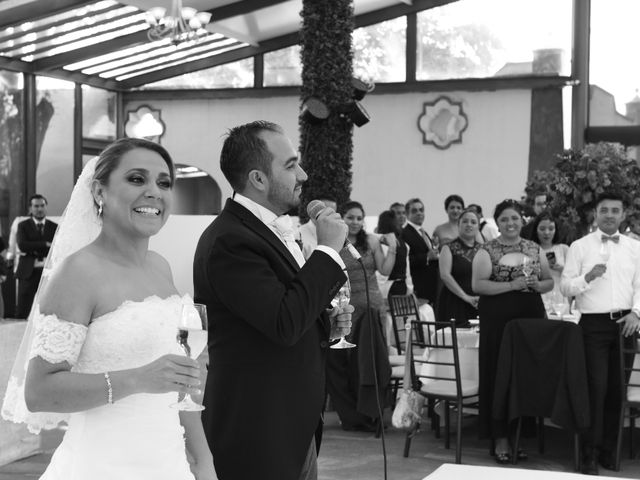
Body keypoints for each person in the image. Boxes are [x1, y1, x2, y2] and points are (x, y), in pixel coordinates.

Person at [1, 138, 216, 479]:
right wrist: (139, 378)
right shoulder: (77, 273)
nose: (154, 192)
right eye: (136, 179)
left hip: (169, 464)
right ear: (100, 192)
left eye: (164, 182)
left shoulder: (161, 267)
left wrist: (204, 462)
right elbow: (38, 392)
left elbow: (180, 387)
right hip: (100, 466)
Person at [193, 121, 352, 480]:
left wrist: (323, 324)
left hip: (293, 424)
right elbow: (283, 322)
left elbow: (281, 312)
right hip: (258, 428)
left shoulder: (266, 230)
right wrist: (327, 251)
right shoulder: (229, 241)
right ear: (258, 179)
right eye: (291, 164)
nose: (303, 174)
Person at [560, 191, 640, 475]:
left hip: (626, 326)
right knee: (595, 390)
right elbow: (566, 287)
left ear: (623, 214)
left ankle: (609, 449)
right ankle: (588, 452)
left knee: (616, 392)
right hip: (592, 326)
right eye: (604, 210)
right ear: (595, 213)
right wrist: (587, 277)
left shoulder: (634, 247)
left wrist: (636, 312)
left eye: (615, 210)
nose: (609, 215)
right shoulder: (579, 246)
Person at [471, 199, 553, 464]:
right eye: (505, 219)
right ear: (497, 222)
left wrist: (538, 286)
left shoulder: (533, 247)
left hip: (530, 318)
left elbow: (549, 280)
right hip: (498, 321)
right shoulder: (487, 250)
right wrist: (514, 285)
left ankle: (520, 434)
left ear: (522, 221)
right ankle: (500, 437)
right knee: (498, 374)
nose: (510, 223)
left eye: (515, 218)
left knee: (524, 375)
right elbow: (478, 286)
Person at [325, 201, 394, 432]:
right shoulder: (334, 242)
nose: (355, 222)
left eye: (359, 218)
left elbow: (385, 270)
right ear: (342, 218)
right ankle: (354, 414)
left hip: (373, 306)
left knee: (370, 360)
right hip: (346, 308)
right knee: (348, 363)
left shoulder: (371, 241)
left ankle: (372, 412)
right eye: (350, 217)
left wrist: (393, 248)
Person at [437, 208, 482, 327]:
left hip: (479, 301)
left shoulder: (484, 249)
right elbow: (445, 275)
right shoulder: (448, 248)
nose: (469, 225)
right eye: (465, 221)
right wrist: (466, 297)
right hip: (455, 300)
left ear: (478, 227)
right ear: (458, 225)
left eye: (473, 222)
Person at [15, 195, 57, 319]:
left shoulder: (54, 226)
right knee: (22, 309)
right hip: (28, 270)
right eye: (36, 206)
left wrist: (33, 246)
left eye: (42, 205)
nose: (39, 209)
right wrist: (45, 244)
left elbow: (56, 246)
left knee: (49, 312)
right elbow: (22, 245)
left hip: (48, 271)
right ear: (30, 208)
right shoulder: (23, 225)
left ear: (46, 207)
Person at [528, 211, 570, 312]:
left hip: (560, 297)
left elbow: (573, 276)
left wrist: (561, 269)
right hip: (539, 296)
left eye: (551, 228)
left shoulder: (564, 249)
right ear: (536, 230)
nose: (547, 232)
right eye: (542, 229)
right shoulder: (531, 250)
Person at [402, 198, 439, 306]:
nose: (419, 213)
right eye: (414, 211)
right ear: (407, 214)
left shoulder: (422, 231)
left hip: (431, 285)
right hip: (418, 286)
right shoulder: (405, 233)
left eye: (421, 210)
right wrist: (426, 257)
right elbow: (405, 260)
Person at [376, 209, 409, 299]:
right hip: (402, 284)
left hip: (388, 287)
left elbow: (380, 273)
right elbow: (407, 269)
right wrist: (410, 288)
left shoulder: (382, 243)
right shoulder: (403, 244)